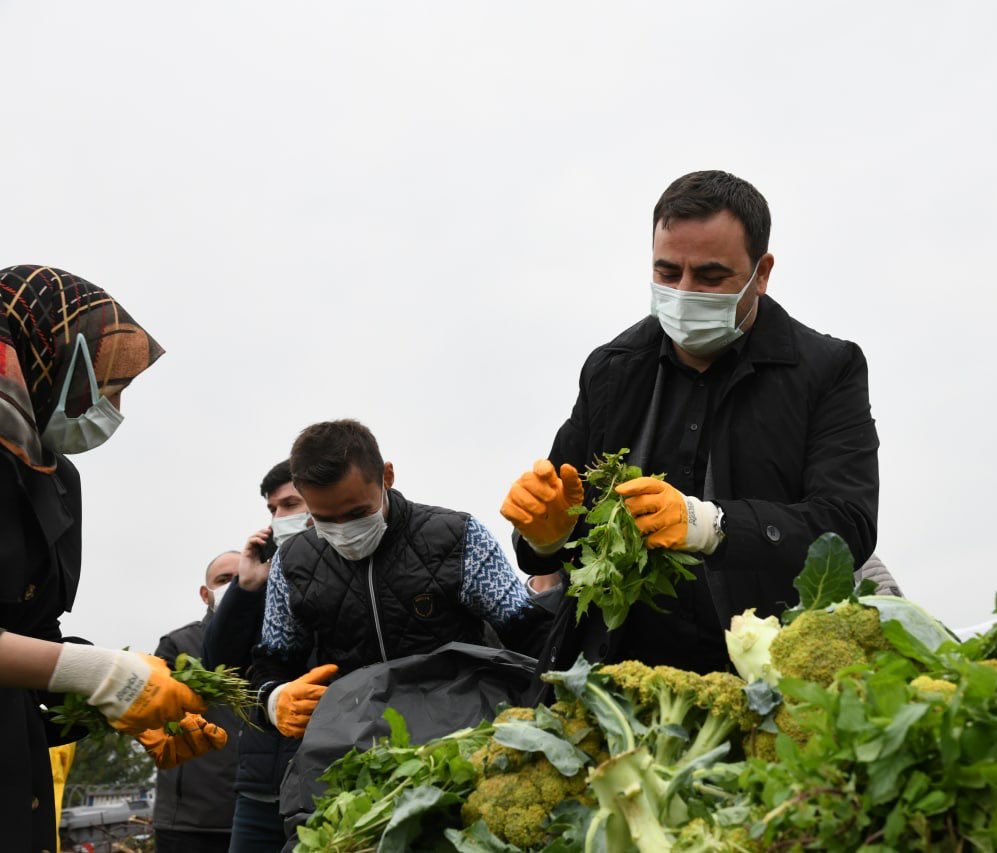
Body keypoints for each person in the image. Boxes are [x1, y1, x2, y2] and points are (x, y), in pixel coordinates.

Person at [501, 171, 880, 677]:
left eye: (710, 276)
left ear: (761, 273)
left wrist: (711, 525)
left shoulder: (827, 370)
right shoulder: (612, 368)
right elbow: (560, 520)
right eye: (667, 272)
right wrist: (545, 536)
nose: (684, 291)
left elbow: (847, 524)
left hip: (766, 674)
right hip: (619, 676)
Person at [0, 265, 215, 852]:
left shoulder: (54, 478)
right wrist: (100, 677)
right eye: (106, 385)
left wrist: (124, 703)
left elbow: (33, 636)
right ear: (50, 357)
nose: (113, 406)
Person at [252, 419, 553, 739]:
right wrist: (272, 700)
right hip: (354, 748)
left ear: (387, 477)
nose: (343, 530)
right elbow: (271, 661)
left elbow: (530, 634)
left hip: (463, 737)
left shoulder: (458, 538)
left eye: (356, 514)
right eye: (325, 519)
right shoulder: (292, 563)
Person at [203, 460, 311, 853]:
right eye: (272, 509)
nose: (279, 517)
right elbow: (218, 668)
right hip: (260, 787)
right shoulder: (264, 578)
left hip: (325, 780)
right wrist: (245, 587)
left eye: (290, 504)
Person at [146, 552, 242, 853]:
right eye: (224, 580)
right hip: (190, 821)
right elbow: (152, 711)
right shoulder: (178, 645)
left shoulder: (276, 641)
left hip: (259, 813)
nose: (233, 586)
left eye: (240, 579)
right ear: (205, 593)